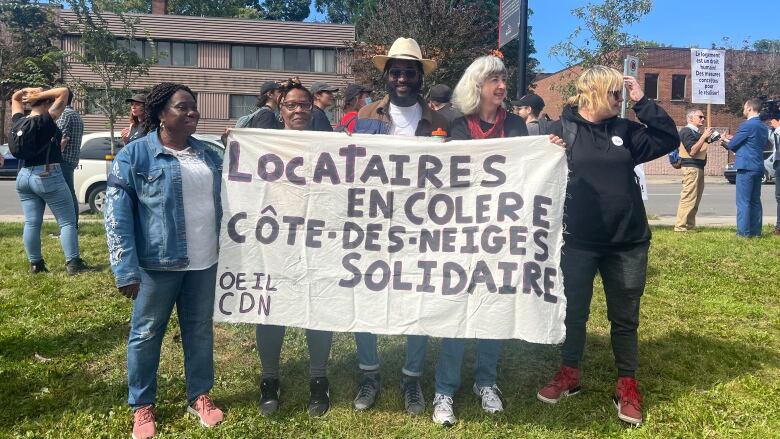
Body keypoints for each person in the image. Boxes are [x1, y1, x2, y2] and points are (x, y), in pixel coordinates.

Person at [535, 66, 679, 426]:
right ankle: (569, 374)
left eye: (623, 94)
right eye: (616, 93)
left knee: (625, 318)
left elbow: (667, 138)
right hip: (578, 242)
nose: (621, 100)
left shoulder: (626, 130)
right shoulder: (561, 130)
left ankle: (627, 384)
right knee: (574, 313)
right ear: (595, 92)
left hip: (627, 242)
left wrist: (643, 102)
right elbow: (535, 174)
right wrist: (547, 151)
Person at [104, 82, 224, 439]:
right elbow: (116, 215)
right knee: (145, 333)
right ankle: (142, 405)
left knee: (199, 331)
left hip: (205, 263)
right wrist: (124, 268)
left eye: (194, 107)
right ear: (160, 114)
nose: (192, 113)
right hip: (157, 265)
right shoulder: (135, 155)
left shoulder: (209, 155)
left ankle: (199, 395)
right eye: (182, 108)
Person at [351, 37, 447, 415]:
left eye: (410, 71)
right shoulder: (367, 118)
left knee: (419, 297)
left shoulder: (439, 121)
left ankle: (411, 377)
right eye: (397, 71)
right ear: (387, 76)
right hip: (374, 222)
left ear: (419, 76)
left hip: (421, 225)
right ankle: (369, 373)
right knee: (367, 293)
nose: (403, 77)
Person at [255, 78, 333, 418]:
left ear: (313, 108)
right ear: (280, 108)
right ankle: (269, 379)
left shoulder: (328, 145)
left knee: (317, 308)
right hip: (275, 242)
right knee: (271, 309)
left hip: (318, 240)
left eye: (304, 104)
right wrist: (235, 145)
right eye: (291, 105)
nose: (299, 109)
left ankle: (318, 380)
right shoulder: (263, 144)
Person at [12, 86, 91, 275]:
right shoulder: (46, 120)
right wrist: (40, 93)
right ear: (48, 102)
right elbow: (64, 91)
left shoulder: (18, 121)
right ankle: (73, 263)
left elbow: (15, 98)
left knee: (31, 222)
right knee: (67, 221)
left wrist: (27, 92)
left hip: (24, 176)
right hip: (47, 174)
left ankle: (36, 265)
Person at [722, 99, 769, 237]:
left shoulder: (746, 125)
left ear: (749, 108)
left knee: (743, 201)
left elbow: (732, 145)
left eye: (744, 108)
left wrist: (724, 139)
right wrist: (736, 139)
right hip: (758, 165)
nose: (743, 110)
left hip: (746, 167)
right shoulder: (763, 127)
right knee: (755, 200)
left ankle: (743, 233)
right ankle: (756, 232)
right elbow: (757, 144)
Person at [673, 108, 714, 232]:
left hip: (699, 167)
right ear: (691, 118)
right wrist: (704, 138)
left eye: (703, 117)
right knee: (688, 197)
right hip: (691, 168)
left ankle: (689, 225)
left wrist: (713, 137)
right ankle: (680, 227)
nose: (703, 119)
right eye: (700, 117)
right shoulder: (686, 131)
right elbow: (692, 151)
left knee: (696, 198)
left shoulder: (696, 133)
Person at [55, 88, 85, 226]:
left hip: (63, 159)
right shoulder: (75, 114)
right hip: (71, 159)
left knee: (65, 195)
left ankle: (70, 226)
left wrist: (53, 157)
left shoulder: (65, 114)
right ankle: (72, 225)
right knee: (69, 192)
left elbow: (63, 138)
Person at [769, 112, 780, 235]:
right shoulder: (775, 134)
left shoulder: (778, 132)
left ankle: (779, 227)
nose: (770, 122)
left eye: (772, 120)